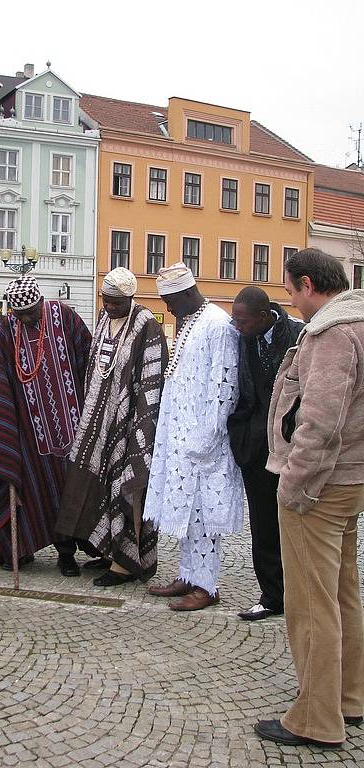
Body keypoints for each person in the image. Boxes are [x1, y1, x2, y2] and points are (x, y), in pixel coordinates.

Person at [254, 248, 364, 749]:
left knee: (312, 603)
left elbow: (320, 421)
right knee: (342, 594)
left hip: (319, 487)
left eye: (291, 292)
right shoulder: (358, 323)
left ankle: (317, 719)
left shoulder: (333, 333)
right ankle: (349, 697)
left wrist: (294, 482)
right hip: (347, 481)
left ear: (306, 284)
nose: (291, 303)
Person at [56, 267, 168, 586]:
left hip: (129, 425)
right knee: (89, 485)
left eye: (116, 303)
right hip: (98, 422)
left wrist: (139, 430)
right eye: (106, 301)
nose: (110, 307)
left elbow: (152, 380)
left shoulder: (147, 324)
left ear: (130, 298)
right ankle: (107, 549)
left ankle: (125, 564)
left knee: (125, 489)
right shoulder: (105, 319)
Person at [144, 263, 243, 610]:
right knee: (186, 514)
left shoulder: (217, 324)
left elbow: (224, 386)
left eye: (170, 301)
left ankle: (206, 586)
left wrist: (206, 438)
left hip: (205, 445)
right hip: (182, 438)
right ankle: (188, 575)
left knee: (203, 517)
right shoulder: (191, 321)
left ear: (186, 293)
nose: (168, 309)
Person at [0, 275, 92, 575]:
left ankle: (71, 553)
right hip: (31, 433)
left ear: (41, 302)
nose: (28, 319)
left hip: (74, 428)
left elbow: (88, 361)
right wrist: (6, 422)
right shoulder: (7, 329)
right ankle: (53, 549)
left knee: (73, 492)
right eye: (21, 314)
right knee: (43, 491)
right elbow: (0, 377)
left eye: (31, 312)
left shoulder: (65, 317)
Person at [228, 287, 303, 621]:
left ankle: (301, 596)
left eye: (242, 321)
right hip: (255, 448)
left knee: (297, 524)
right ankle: (272, 595)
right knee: (262, 524)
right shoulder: (243, 337)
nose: (237, 326)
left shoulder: (299, 334)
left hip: (292, 447)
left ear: (262, 316)